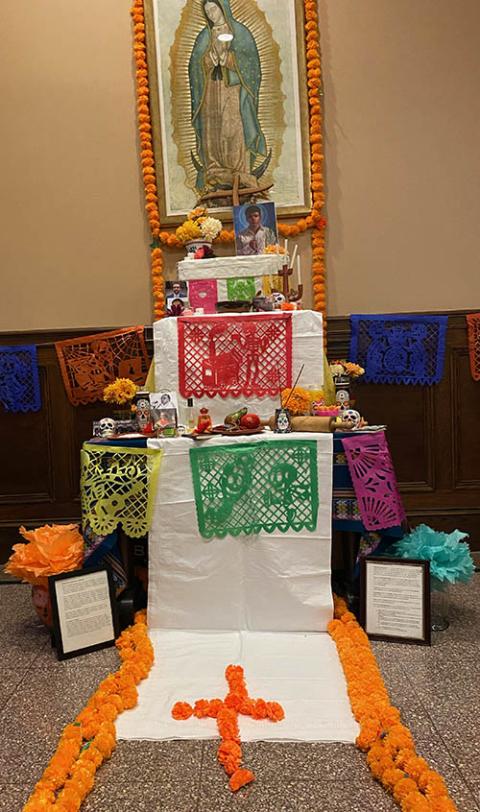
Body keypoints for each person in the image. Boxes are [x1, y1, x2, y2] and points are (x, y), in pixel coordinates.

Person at [189, 0, 268, 194]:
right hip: (210, 92)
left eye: (214, 9)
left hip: (232, 91)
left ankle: (238, 171)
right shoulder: (203, 36)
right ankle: (214, 169)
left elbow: (252, 65)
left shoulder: (240, 33)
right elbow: (193, 67)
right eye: (207, 11)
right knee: (212, 130)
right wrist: (208, 60)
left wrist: (229, 60)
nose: (211, 15)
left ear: (223, 7)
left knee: (232, 127)